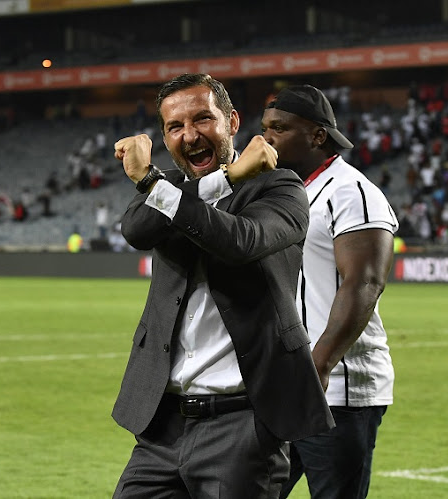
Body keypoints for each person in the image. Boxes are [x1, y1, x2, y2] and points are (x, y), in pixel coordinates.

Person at [111, 73, 333, 499]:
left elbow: (239, 241)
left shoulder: (281, 187)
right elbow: (136, 227)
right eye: (175, 127)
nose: (190, 135)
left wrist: (151, 181)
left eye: (202, 119)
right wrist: (224, 179)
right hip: (163, 427)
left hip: (242, 425)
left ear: (232, 122)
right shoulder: (169, 191)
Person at [261, 85, 399, 499]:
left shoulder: (351, 192)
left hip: (336, 390)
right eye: (265, 128)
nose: (266, 138)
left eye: (280, 129)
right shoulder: (281, 193)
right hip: (281, 387)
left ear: (318, 135)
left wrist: (318, 365)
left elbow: (366, 282)